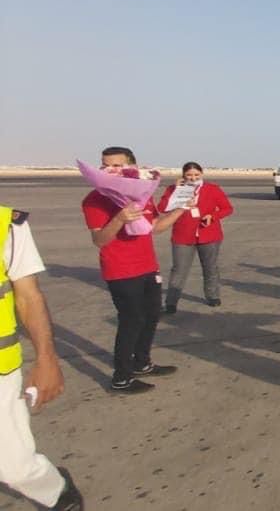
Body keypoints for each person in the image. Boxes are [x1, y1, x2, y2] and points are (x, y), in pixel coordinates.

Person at [82, 146, 187, 394]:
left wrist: (180, 209)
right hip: (120, 269)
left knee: (151, 316)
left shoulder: (142, 193)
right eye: (105, 165)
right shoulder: (95, 199)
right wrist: (120, 219)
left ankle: (142, 362)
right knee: (131, 321)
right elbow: (99, 240)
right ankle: (121, 377)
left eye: (117, 165)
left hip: (148, 266)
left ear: (132, 167)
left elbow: (154, 227)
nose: (110, 170)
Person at [0, 206, 84, 510]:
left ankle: (57, 491)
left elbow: (29, 296)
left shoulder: (7, 225)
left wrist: (47, 359)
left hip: (1, 370)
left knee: (15, 467)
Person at [158, 162, 234, 314]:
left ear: (201, 174)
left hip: (209, 234)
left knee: (210, 267)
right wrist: (177, 190)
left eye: (196, 175)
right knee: (179, 269)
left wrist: (213, 216)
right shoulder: (174, 189)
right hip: (183, 236)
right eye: (189, 175)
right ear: (183, 175)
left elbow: (227, 208)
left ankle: (212, 295)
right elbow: (162, 208)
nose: (193, 178)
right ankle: (171, 302)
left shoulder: (212, 189)